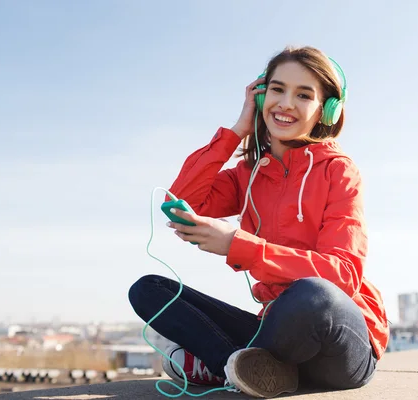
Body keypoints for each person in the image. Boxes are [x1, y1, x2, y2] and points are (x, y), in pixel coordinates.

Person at [128, 45, 389, 399]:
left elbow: (341, 275)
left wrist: (237, 245)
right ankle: (239, 367)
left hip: (336, 339)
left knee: (314, 294)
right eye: (277, 89)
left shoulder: (338, 171)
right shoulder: (247, 176)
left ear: (326, 109)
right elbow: (184, 199)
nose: (285, 104)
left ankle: (220, 365)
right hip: (274, 331)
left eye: (303, 95)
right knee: (149, 290)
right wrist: (238, 129)